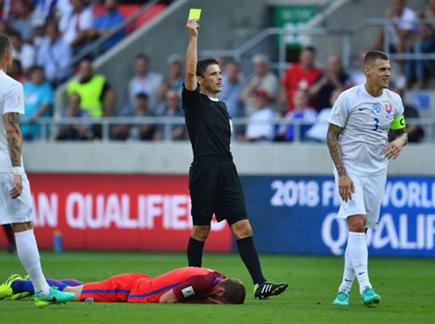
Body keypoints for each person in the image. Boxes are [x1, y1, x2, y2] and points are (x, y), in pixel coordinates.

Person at [183, 19, 288, 300]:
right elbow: (189, 71)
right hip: (205, 169)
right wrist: (193, 38)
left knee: (243, 226)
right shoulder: (194, 103)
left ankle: (260, 284)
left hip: (227, 169)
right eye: (213, 74)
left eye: (220, 73)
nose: (219, 77)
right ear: (201, 79)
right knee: (201, 230)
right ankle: (191, 284)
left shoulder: (224, 106)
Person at [326, 50, 408, 306]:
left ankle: (343, 289)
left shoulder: (394, 101)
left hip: (377, 172)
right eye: (382, 69)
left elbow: (402, 131)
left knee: (360, 230)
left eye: (389, 69)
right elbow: (331, 136)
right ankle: (366, 287)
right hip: (350, 170)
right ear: (367, 71)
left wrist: (400, 142)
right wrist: (342, 174)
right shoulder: (348, 98)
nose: (387, 74)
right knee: (357, 222)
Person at [0, 33, 75, 308]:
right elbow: (11, 129)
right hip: (4, 166)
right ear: (8, 56)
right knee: (22, 225)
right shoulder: (11, 86)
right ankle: (42, 291)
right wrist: (17, 170)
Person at [1, 267, 246, 304]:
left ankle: (25, 284)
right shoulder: (204, 282)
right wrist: (203, 301)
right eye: (219, 300)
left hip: (135, 284)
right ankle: (19, 284)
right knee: (69, 294)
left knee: (80, 288)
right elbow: (165, 300)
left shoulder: (213, 277)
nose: (215, 302)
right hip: (131, 289)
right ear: (221, 290)